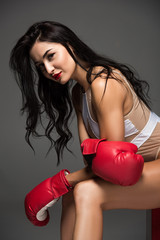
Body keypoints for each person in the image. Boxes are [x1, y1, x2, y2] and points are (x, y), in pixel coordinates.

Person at [9, 21, 160, 240]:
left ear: (69, 45)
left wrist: (58, 183)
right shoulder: (79, 94)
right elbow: (93, 161)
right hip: (146, 168)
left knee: (86, 192)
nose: (48, 69)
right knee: (72, 196)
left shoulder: (104, 83)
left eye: (50, 56)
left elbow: (113, 166)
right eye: (41, 65)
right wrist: (65, 185)